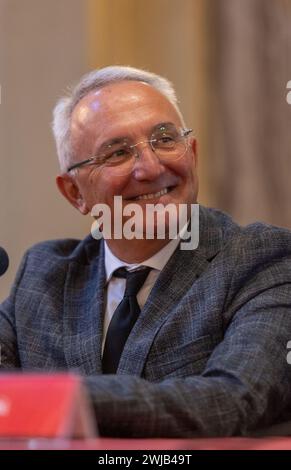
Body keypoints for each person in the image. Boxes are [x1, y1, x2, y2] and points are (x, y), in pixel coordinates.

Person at [1, 65, 291, 438]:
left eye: (166, 139)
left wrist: (59, 399)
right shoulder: (45, 275)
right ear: (75, 193)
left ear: (193, 152)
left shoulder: (263, 260)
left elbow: (232, 398)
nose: (151, 168)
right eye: (118, 153)